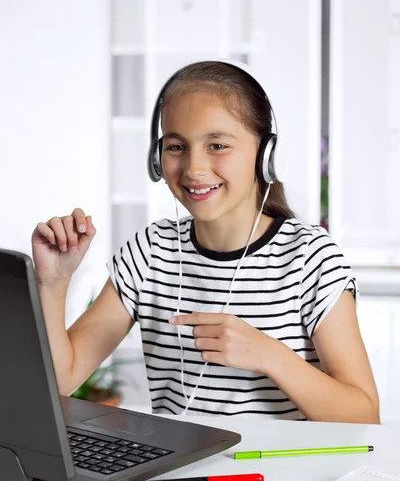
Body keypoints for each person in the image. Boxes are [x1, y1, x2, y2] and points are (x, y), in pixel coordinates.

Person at [32, 60, 379, 423]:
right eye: (176, 147)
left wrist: (270, 355)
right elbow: (62, 381)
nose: (194, 168)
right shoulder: (151, 252)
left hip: (284, 477)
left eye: (217, 144)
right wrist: (53, 284)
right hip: (178, 478)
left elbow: (364, 415)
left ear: (265, 156)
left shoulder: (311, 259)